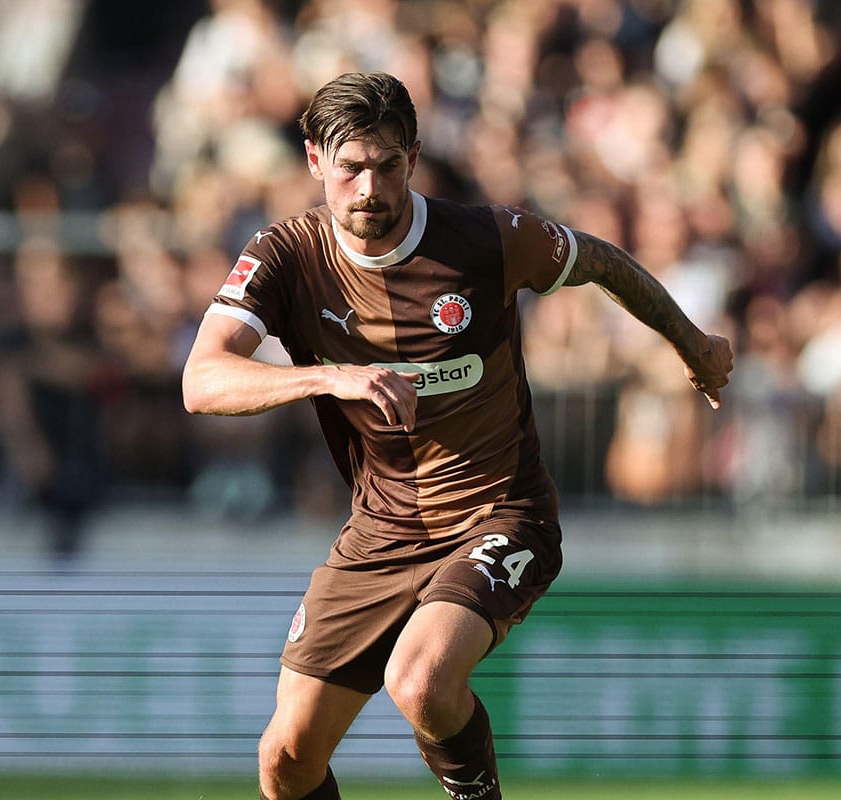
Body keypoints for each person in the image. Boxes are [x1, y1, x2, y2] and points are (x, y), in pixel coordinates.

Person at [182, 72, 733, 800]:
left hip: (501, 512)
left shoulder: (486, 241)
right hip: (380, 532)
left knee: (420, 679)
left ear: (412, 156)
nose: (368, 188)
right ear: (315, 161)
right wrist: (327, 379)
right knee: (285, 761)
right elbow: (201, 379)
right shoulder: (286, 255)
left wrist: (691, 342)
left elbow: (599, 261)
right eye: (350, 168)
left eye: (386, 165)